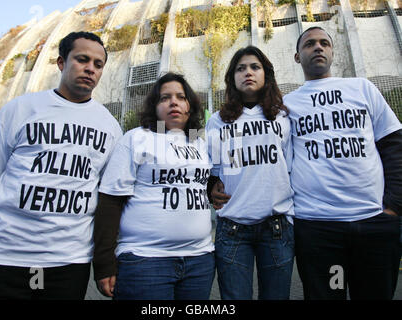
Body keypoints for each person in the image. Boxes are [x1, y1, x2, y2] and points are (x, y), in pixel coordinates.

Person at [0, 31, 123, 300]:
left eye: (98, 64)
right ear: (61, 63)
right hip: (4, 254)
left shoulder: (110, 126)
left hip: (68, 260)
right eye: (82, 59)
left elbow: (107, 195)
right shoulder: (19, 109)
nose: (90, 68)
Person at [283, 26, 401, 299]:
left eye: (325, 42)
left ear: (333, 51)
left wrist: (394, 206)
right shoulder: (288, 104)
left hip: (373, 223)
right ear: (298, 56)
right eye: (310, 43)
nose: (318, 47)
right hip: (319, 230)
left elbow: (393, 145)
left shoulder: (362, 88)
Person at [93, 72, 215, 300]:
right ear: (154, 106)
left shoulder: (199, 141)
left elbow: (203, 183)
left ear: (190, 105)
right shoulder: (136, 138)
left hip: (200, 260)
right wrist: (104, 262)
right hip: (145, 261)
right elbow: (110, 201)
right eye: (164, 98)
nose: (173, 102)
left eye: (181, 96)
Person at [206, 46, 295, 300]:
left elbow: (289, 167)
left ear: (266, 74)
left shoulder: (282, 117)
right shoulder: (217, 120)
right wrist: (210, 185)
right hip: (233, 230)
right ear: (232, 78)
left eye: (255, 67)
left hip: (277, 228)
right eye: (240, 68)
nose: (248, 72)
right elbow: (211, 169)